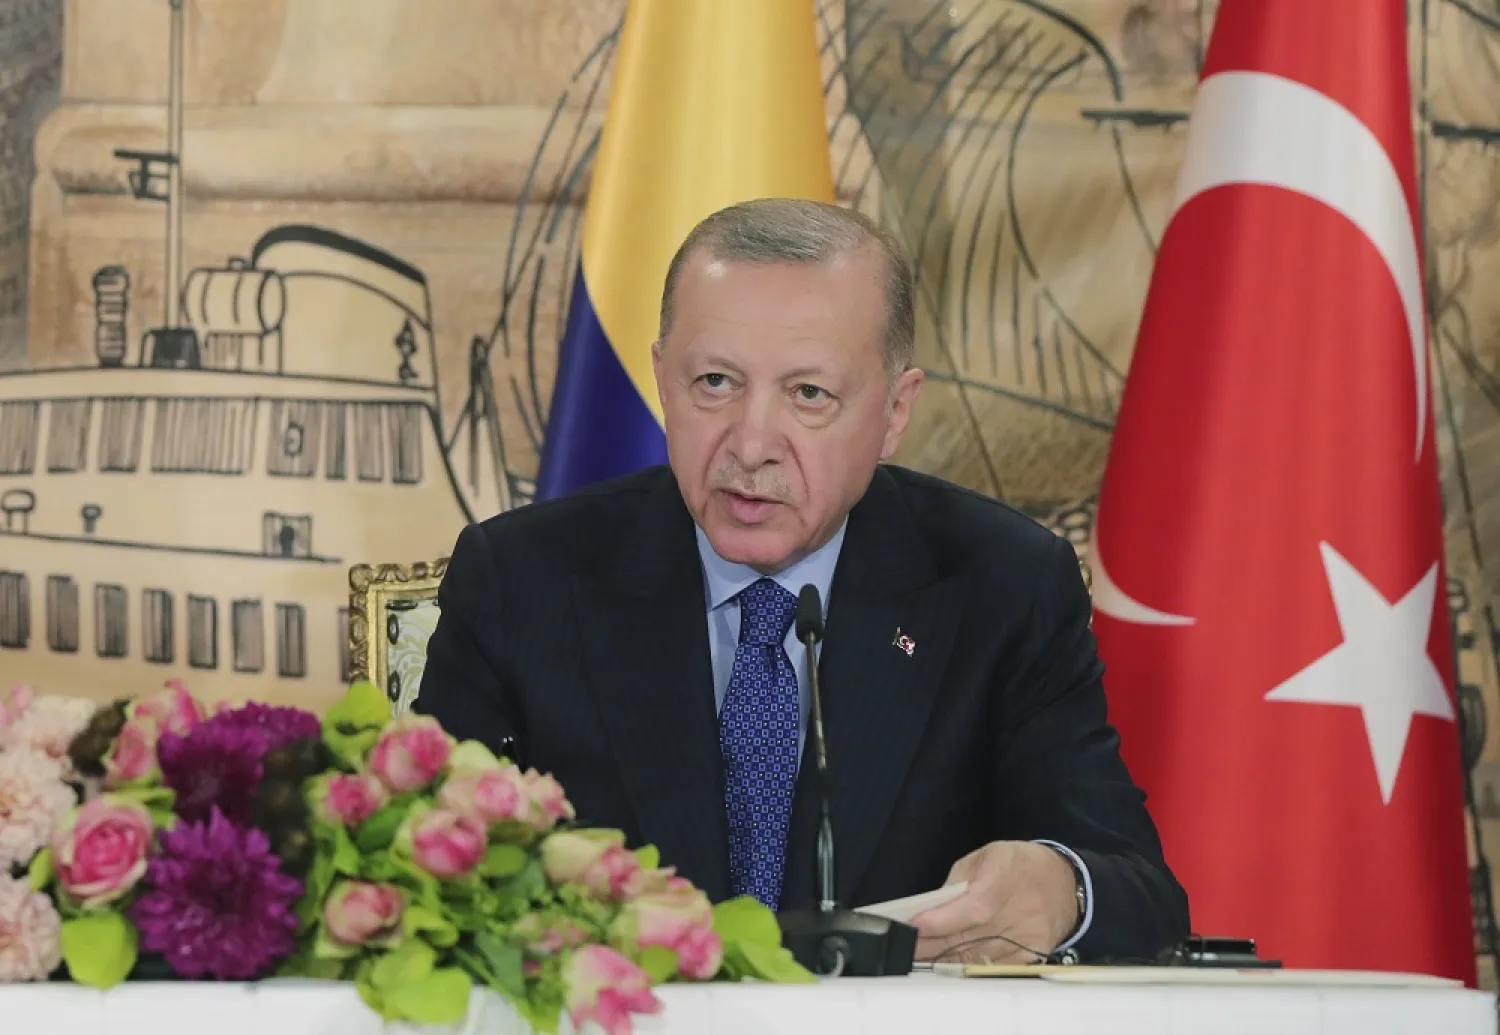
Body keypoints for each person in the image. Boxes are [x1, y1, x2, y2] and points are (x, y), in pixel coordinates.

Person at [416, 198, 1189, 964]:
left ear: (894, 411)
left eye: (809, 394)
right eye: (715, 381)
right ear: (661, 378)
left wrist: (1061, 888)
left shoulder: (1003, 586)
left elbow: (1143, 895)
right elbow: (419, 882)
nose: (751, 444)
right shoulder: (521, 582)